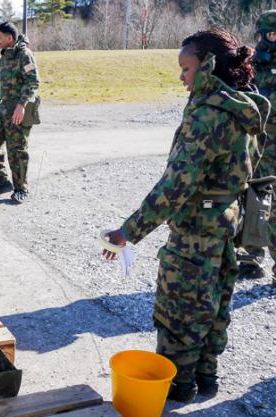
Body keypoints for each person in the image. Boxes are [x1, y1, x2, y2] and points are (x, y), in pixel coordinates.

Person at [102, 29, 269, 402]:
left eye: (186, 68)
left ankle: (178, 386)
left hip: (194, 230)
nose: (182, 77)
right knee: (212, 304)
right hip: (224, 224)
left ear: (208, 67)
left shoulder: (208, 114)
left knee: (179, 311)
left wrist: (127, 232)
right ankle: (206, 377)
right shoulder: (241, 107)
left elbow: (175, 187)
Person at [237, 10, 276, 283]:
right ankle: (251, 258)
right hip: (258, 146)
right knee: (254, 201)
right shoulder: (250, 68)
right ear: (261, 36)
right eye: (272, 36)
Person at [0, 22, 39, 204]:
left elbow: (32, 82)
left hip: (20, 111)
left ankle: (21, 188)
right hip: (4, 109)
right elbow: (1, 85)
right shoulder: (4, 56)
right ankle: (1, 182)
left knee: (17, 150)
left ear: (10, 37)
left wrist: (22, 105)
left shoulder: (24, 54)